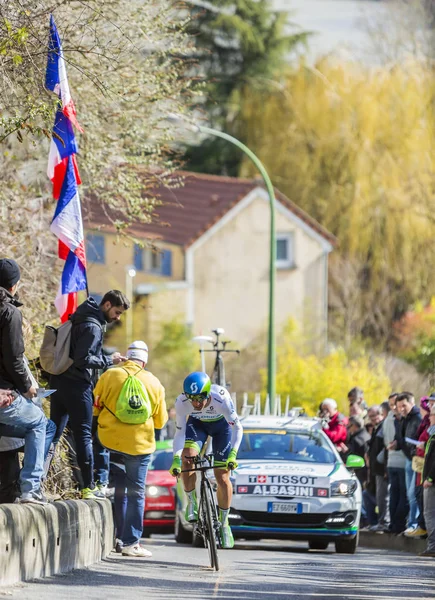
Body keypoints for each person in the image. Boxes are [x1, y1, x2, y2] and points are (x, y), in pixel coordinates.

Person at [50, 290, 130, 499]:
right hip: (78, 386)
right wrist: (108, 361)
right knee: (84, 435)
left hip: (59, 382)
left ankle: (33, 483)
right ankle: (88, 487)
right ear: (107, 305)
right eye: (117, 312)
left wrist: (103, 356)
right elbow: (83, 359)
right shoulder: (93, 327)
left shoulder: (80, 317)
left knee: (53, 435)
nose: (117, 318)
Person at [93, 340, 167, 557]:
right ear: (144, 361)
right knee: (136, 492)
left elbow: (96, 407)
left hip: (110, 442)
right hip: (139, 445)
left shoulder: (110, 375)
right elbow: (161, 422)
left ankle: (114, 535)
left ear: (127, 356)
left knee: (118, 490)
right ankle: (130, 543)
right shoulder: (154, 383)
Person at [169, 372, 243, 549]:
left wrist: (233, 454)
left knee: (222, 476)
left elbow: (237, 428)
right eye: (192, 398)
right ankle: (192, 502)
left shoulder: (221, 398)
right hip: (198, 425)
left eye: (200, 398)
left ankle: (224, 523)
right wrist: (176, 459)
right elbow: (179, 433)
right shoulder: (181, 403)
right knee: (188, 459)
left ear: (208, 393)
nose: (196, 403)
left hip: (221, 428)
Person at [0, 258, 48, 504]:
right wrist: (27, 388)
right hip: (4, 396)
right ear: (13, 286)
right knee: (40, 423)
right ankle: (30, 488)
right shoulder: (10, 312)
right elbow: (14, 358)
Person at [395, 391, 422, 533]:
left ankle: (414, 524)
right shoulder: (404, 419)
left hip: (416, 460)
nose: (401, 409)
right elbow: (403, 438)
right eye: (399, 406)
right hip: (408, 459)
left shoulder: (417, 418)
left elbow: (418, 439)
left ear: (412, 403)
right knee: (409, 494)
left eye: (404, 405)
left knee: (413, 494)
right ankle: (412, 523)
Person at [407, 396, 432, 538]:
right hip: (420, 463)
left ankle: (424, 527)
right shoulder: (425, 423)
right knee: (417, 494)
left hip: (426, 465)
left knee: (419, 494)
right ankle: (423, 526)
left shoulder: (430, 425)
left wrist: (424, 445)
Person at [384, 392, 408, 534]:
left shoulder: (387, 419)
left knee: (394, 495)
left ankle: (393, 524)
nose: (397, 407)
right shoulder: (396, 420)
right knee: (401, 495)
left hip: (391, 461)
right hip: (401, 460)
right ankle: (398, 525)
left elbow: (385, 441)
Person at [366, 404, 389, 532]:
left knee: (383, 496)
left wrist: (385, 469)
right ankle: (380, 521)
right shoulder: (377, 428)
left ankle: (384, 522)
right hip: (377, 468)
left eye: (375, 415)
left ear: (381, 414)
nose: (373, 419)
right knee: (378, 496)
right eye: (370, 417)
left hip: (382, 468)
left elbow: (385, 447)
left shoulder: (384, 426)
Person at [420, 404, 435, 557]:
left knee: (429, 513)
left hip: (432, 481)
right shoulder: (432, 435)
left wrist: (430, 477)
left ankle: (432, 547)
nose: (428, 417)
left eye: (431, 415)